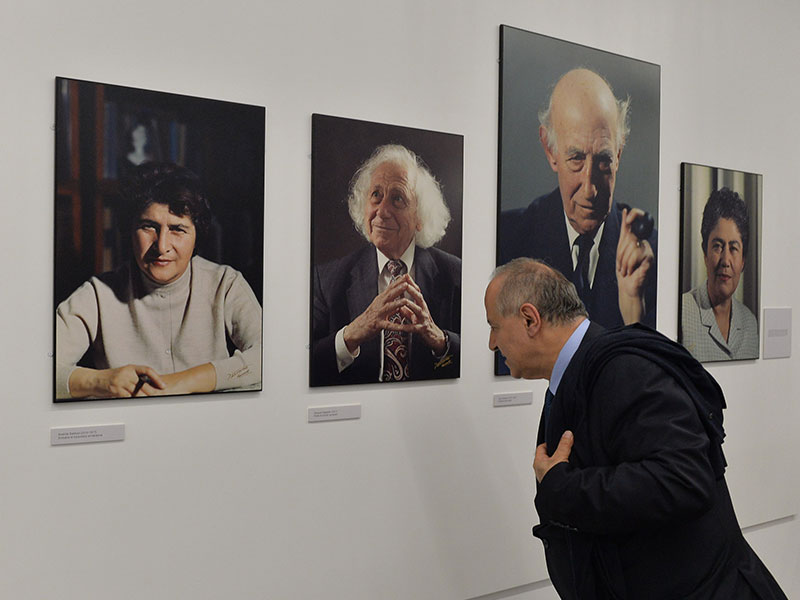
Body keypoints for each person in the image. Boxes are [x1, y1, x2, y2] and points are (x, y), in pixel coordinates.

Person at [484, 257, 785, 599]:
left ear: (530, 319)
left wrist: (565, 489)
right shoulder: (582, 372)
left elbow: (685, 478)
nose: (492, 342)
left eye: (494, 326)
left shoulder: (624, 370)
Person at [56, 162, 262, 400]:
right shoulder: (98, 294)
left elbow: (267, 356)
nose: (162, 246)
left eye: (178, 229)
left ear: (197, 235)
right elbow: (38, 367)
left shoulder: (225, 283)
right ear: (129, 231)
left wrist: (183, 382)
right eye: (148, 227)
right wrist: (102, 382)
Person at [498, 68, 657, 332]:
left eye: (604, 161)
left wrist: (634, 311)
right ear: (550, 150)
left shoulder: (652, 256)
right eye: (576, 159)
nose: (590, 190)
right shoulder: (508, 239)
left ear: (618, 153)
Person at [311, 144, 460, 386]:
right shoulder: (327, 279)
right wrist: (351, 335)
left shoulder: (455, 274)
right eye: (376, 195)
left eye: (397, 198)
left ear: (420, 216)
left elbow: (480, 356)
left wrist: (439, 340)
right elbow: (306, 364)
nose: (382, 211)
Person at [681, 187, 758, 361]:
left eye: (734, 248)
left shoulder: (750, 323)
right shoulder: (683, 312)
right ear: (705, 253)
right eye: (717, 246)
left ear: (743, 260)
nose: (725, 260)